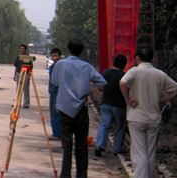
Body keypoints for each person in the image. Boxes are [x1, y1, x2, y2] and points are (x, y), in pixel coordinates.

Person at [120, 47, 177, 178]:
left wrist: (128, 100)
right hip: (153, 117)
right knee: (150, 151)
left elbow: (123, 82)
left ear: (137, 58)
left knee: (139, 152)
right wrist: (163, 99)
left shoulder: (134, 71)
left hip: (136, 116)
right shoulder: (160, 74)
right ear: (152, 58)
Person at [51, 39, 107, 178]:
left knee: (67, 146)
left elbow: (55, 82)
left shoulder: (60, 65)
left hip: (64, 109)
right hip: (81, 109)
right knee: (81, 146)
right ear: (81, 51)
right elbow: (102, 82)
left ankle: (65, 174)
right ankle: (81, 175)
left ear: (69, 49)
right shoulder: (86, 67)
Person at [95, 54, 128, 157]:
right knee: (120, 126)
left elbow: (100, 87)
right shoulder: (124, 76)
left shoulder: (106, 72)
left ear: (113, 62)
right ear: (124, 65)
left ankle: (100, 146)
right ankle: (117, 149)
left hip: (105, 103)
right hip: (119, 105)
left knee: (104, 124)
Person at [13, 44, 34, 108]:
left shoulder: (28, 57)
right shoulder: (18, 57)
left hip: (26, 74)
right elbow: (16, 66)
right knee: (18, 89)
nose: (21, 49)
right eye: (20, 48)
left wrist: (29, 75)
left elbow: (31, 67)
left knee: (26, 89)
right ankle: (17, 103)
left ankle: (26, 104)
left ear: (25, 49)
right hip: (18, 73)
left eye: (23, 48)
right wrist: (15, 75)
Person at [48, 48, 62, 139]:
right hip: (52, 92)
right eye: (52, 56)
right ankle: (55, 132)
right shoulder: (52, 67)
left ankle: (58, 133)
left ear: (60, 56)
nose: (54, 58)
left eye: (56, 56)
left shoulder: (61, 66)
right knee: (53, 112)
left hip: (58, 92)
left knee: (57, 113)